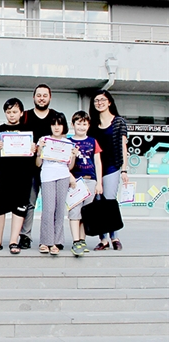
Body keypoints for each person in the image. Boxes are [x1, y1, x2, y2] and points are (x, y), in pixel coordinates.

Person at [0, 98, 34, 254]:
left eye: (14, 112)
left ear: (21, 113)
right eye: (8, 112)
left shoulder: (28, 130)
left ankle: (14, 241)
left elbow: (36, 151)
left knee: (19, 208)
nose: (12, 115)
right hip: (3, 174)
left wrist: (34, 148)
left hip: (23, 175)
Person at [88, 90, 128, 251]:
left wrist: (124, 170)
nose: (99, 103)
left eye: (102, 100)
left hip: (112, 167)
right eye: (96, 100)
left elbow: (123, 146)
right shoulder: (92, 124)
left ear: (109, 102)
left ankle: (115, 237)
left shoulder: (119, 122)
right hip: (95, 169)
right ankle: (103, 239)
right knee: (98, 202)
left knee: (110, 201)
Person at [19, 84, 58, 250]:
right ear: (34, 97)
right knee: (29, 202)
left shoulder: (56, 116)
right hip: (30, 167)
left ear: (50, 98)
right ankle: (25, 236)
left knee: (52, 205)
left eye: (45, 95)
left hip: (52, 168)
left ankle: (54, 237)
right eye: (39, 95)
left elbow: (61, 139)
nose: (42, 98)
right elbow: (18, 139)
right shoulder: (25, 116)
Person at [36, 112, 77, 255]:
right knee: (48, 209)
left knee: (60, 209)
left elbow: (70, 167)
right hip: (47, 175)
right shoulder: (44, 140)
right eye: (53, 124)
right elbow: (38, 163)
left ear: (64, 126)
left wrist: (73, 155)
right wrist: (39, 149)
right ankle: (45, 241)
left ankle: (57, 241)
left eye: (59, 124)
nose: (56, 127)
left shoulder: (69, 142)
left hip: (63, 176)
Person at [68, 111, 103, 256]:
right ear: (73, 125)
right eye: (78, 124)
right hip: (75, 181)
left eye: (84, 124)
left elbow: (97, 162)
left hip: (90, 180)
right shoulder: (69, 142)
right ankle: (76, 241)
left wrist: (99, 182)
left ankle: (82, 240)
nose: (81, 127)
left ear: (88, 125)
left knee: (86, 212)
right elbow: (66, 164)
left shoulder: (93, 141)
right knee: (74, 211)